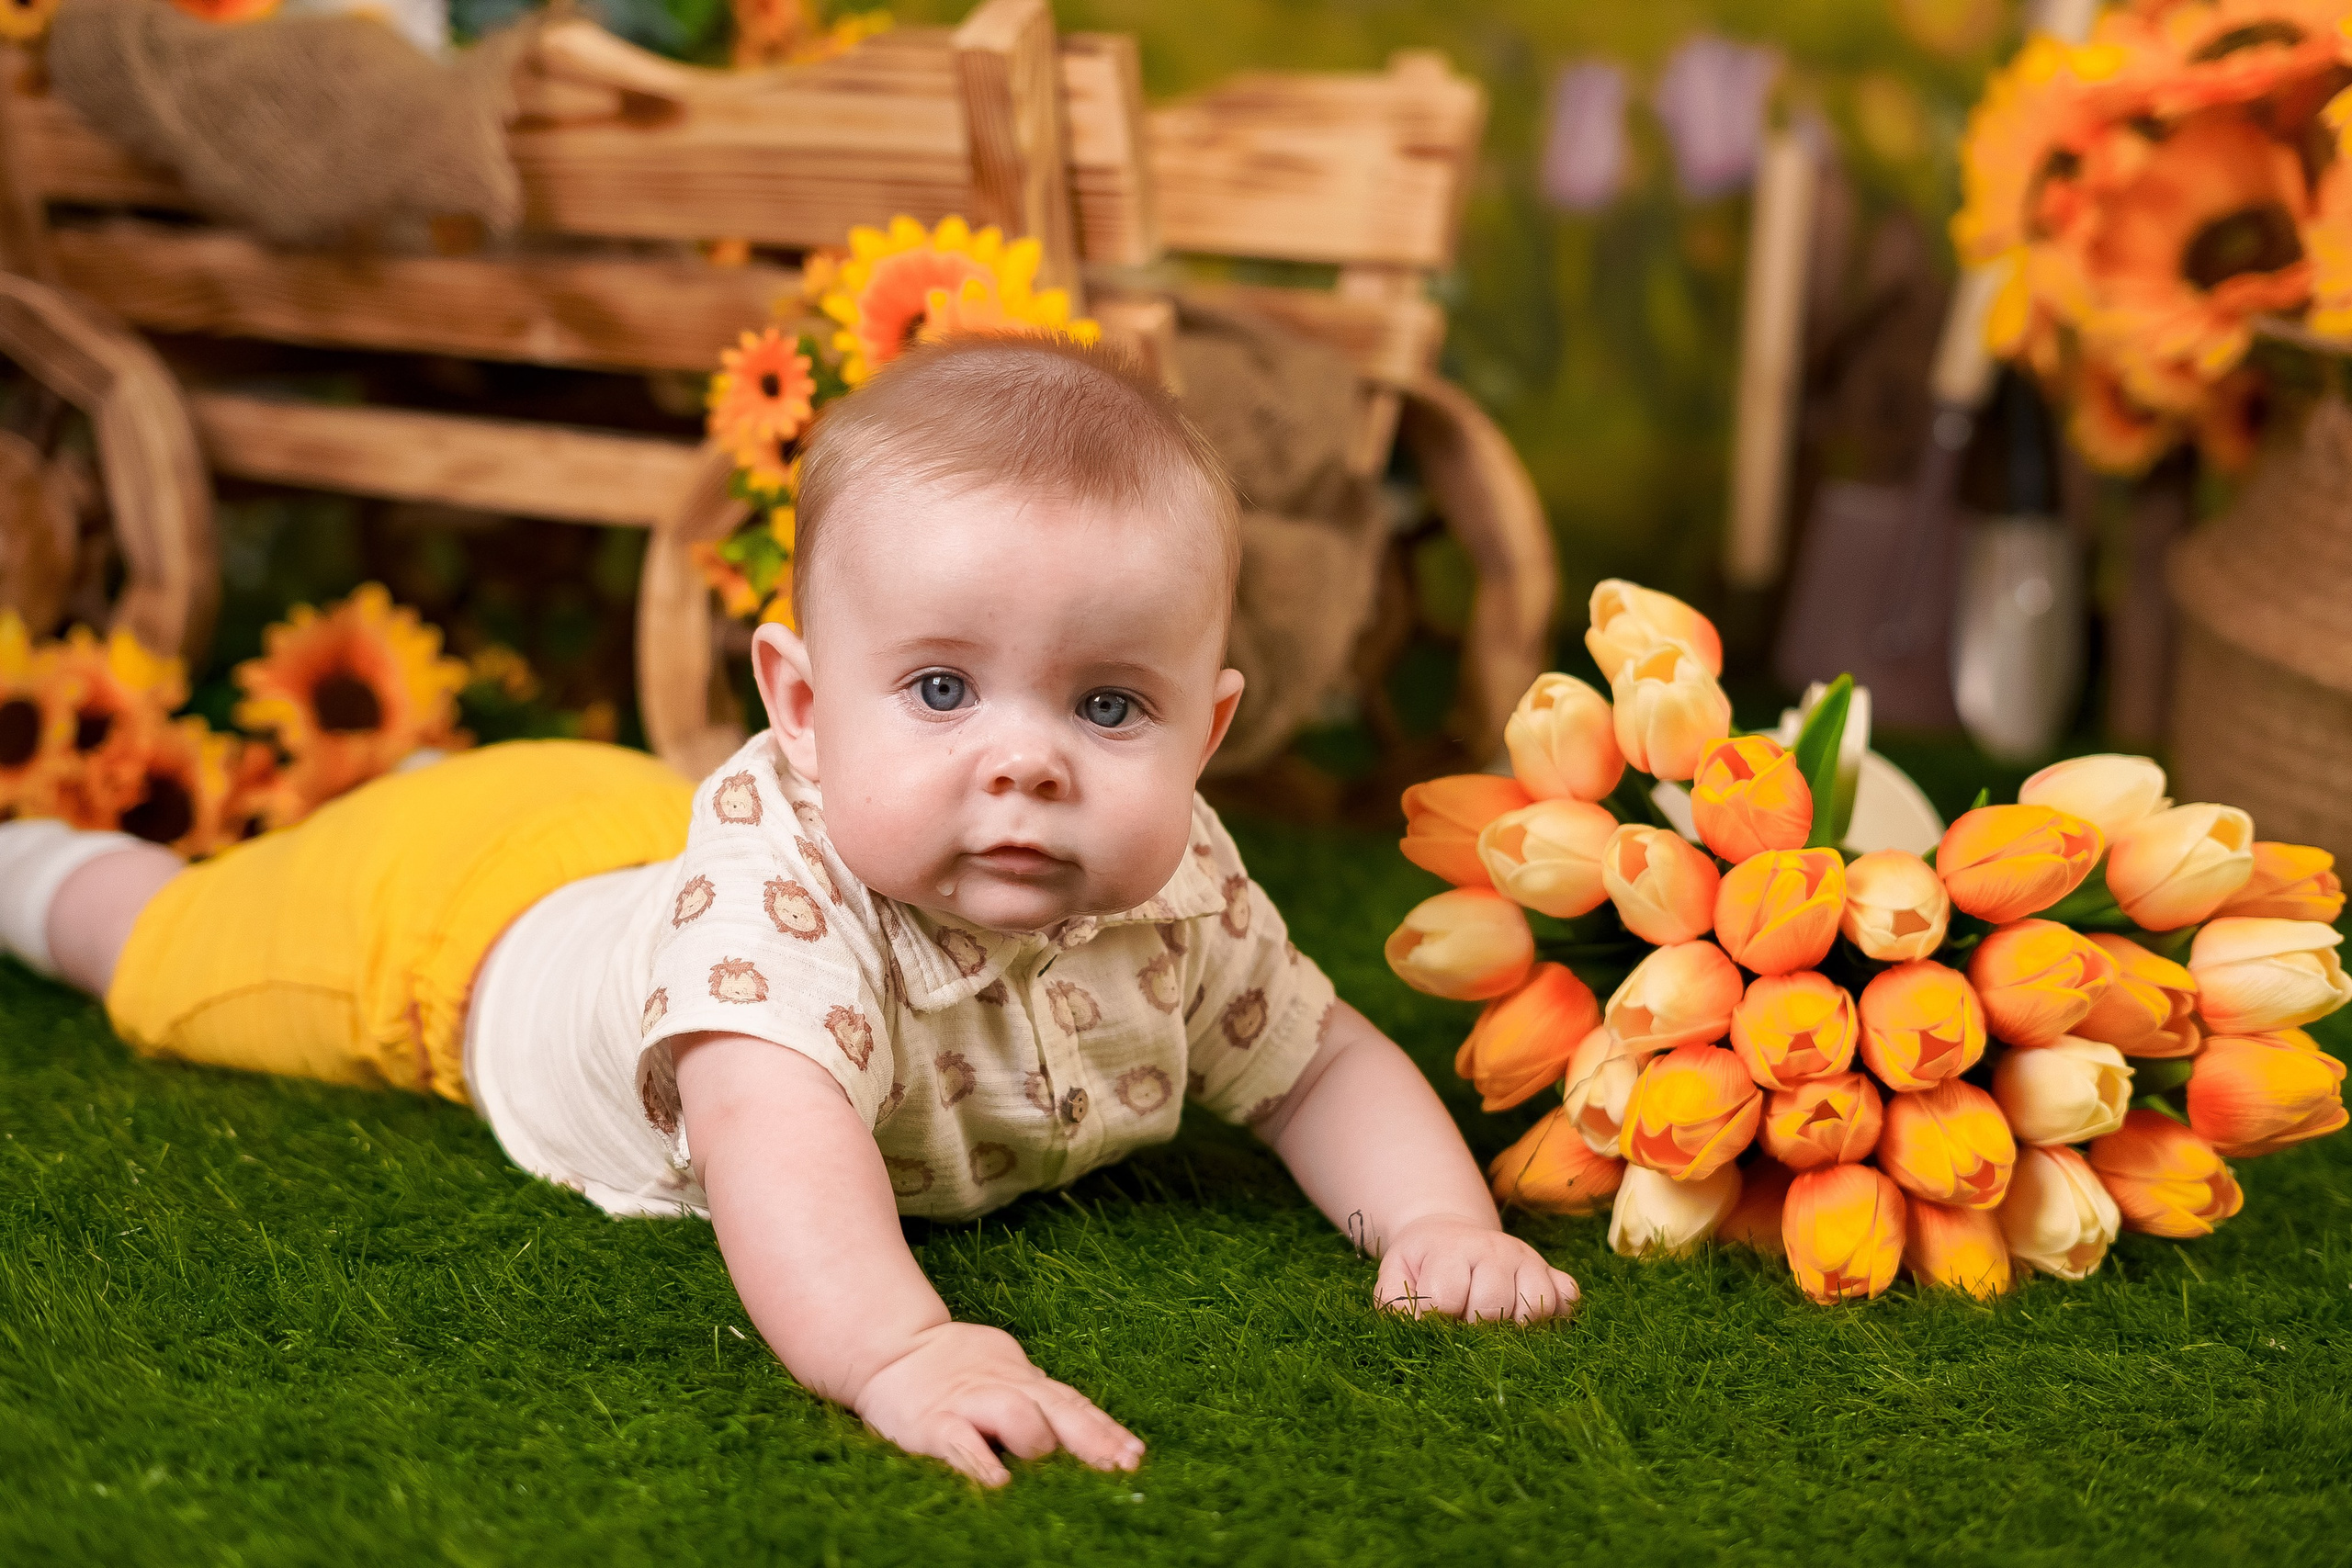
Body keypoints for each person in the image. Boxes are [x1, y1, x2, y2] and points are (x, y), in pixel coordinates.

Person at [0, 334, 1578, 1488]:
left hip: (632, 838)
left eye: (1109, 705)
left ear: (1207, 731)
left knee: (579, 854)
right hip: (455, 931)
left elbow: (1317, 1061)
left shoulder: (1179, 887)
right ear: (803, 707)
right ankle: (29, 863)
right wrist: (901, 1347)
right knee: (172, 952)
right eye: (943, 688)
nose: (1026, 762)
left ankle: (430, 782)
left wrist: (1437, 1223)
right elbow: (782, 1151)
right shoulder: (774, 920)